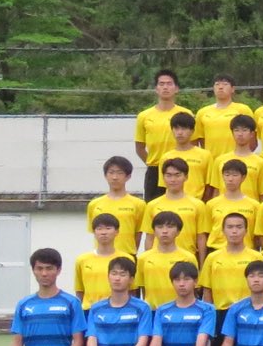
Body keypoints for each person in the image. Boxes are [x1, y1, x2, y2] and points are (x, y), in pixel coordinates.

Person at [134, 70, 187, 200]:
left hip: (180, 170)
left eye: (169, 84)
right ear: (156, 89)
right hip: (155, 170)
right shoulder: (144, 116)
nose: (165, 87)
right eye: (161, 84)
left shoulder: (185, 114)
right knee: (154, 208)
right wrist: (153, 164)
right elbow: (139, 147)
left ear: (176, 88)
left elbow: (192, 143)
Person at [136, 209, 200, 308]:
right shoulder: (143, 258)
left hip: (180, 309)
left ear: (178, 231)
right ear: (154, 231)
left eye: (170, 227)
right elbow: (142, 287)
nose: (165, 231)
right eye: (160, 227)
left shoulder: (188, 258)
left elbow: (194, 288)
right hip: (153, 310)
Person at [199, 210, 261, 306]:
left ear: (246, 231)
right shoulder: (212, 257)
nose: (234, 231)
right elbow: (207, 290)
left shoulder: (256, 257)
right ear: (223, 231)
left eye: (239, 227)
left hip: (249, 309)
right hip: (221, 310)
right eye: (230, 227)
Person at [88, 156, 146, 256]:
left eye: (120, 173)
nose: (115, 177)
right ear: (105, 175)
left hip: (127, 255)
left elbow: (138, 234)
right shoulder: (94, 204)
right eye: (111, 172)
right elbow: (95, 232)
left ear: (128, 176)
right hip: (101, 257)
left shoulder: (138, 204)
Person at [194, 75, 252, 158]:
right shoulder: (202, 112)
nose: (220, 87)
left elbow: (252, 139)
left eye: (225, 84)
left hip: (237, 160)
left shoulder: (243, 110)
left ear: (232, 89)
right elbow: (197, 139)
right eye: (217, 84)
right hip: (212, 161)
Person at [75, 213, 123, 308]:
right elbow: (80, 290)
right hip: (89, 310)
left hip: (116, 309)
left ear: (117, 232)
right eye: (99, 229)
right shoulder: (82, 260)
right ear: (94, 232)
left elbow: (131, 290)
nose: (103, 232)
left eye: (108, 228)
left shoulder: (125, 259)